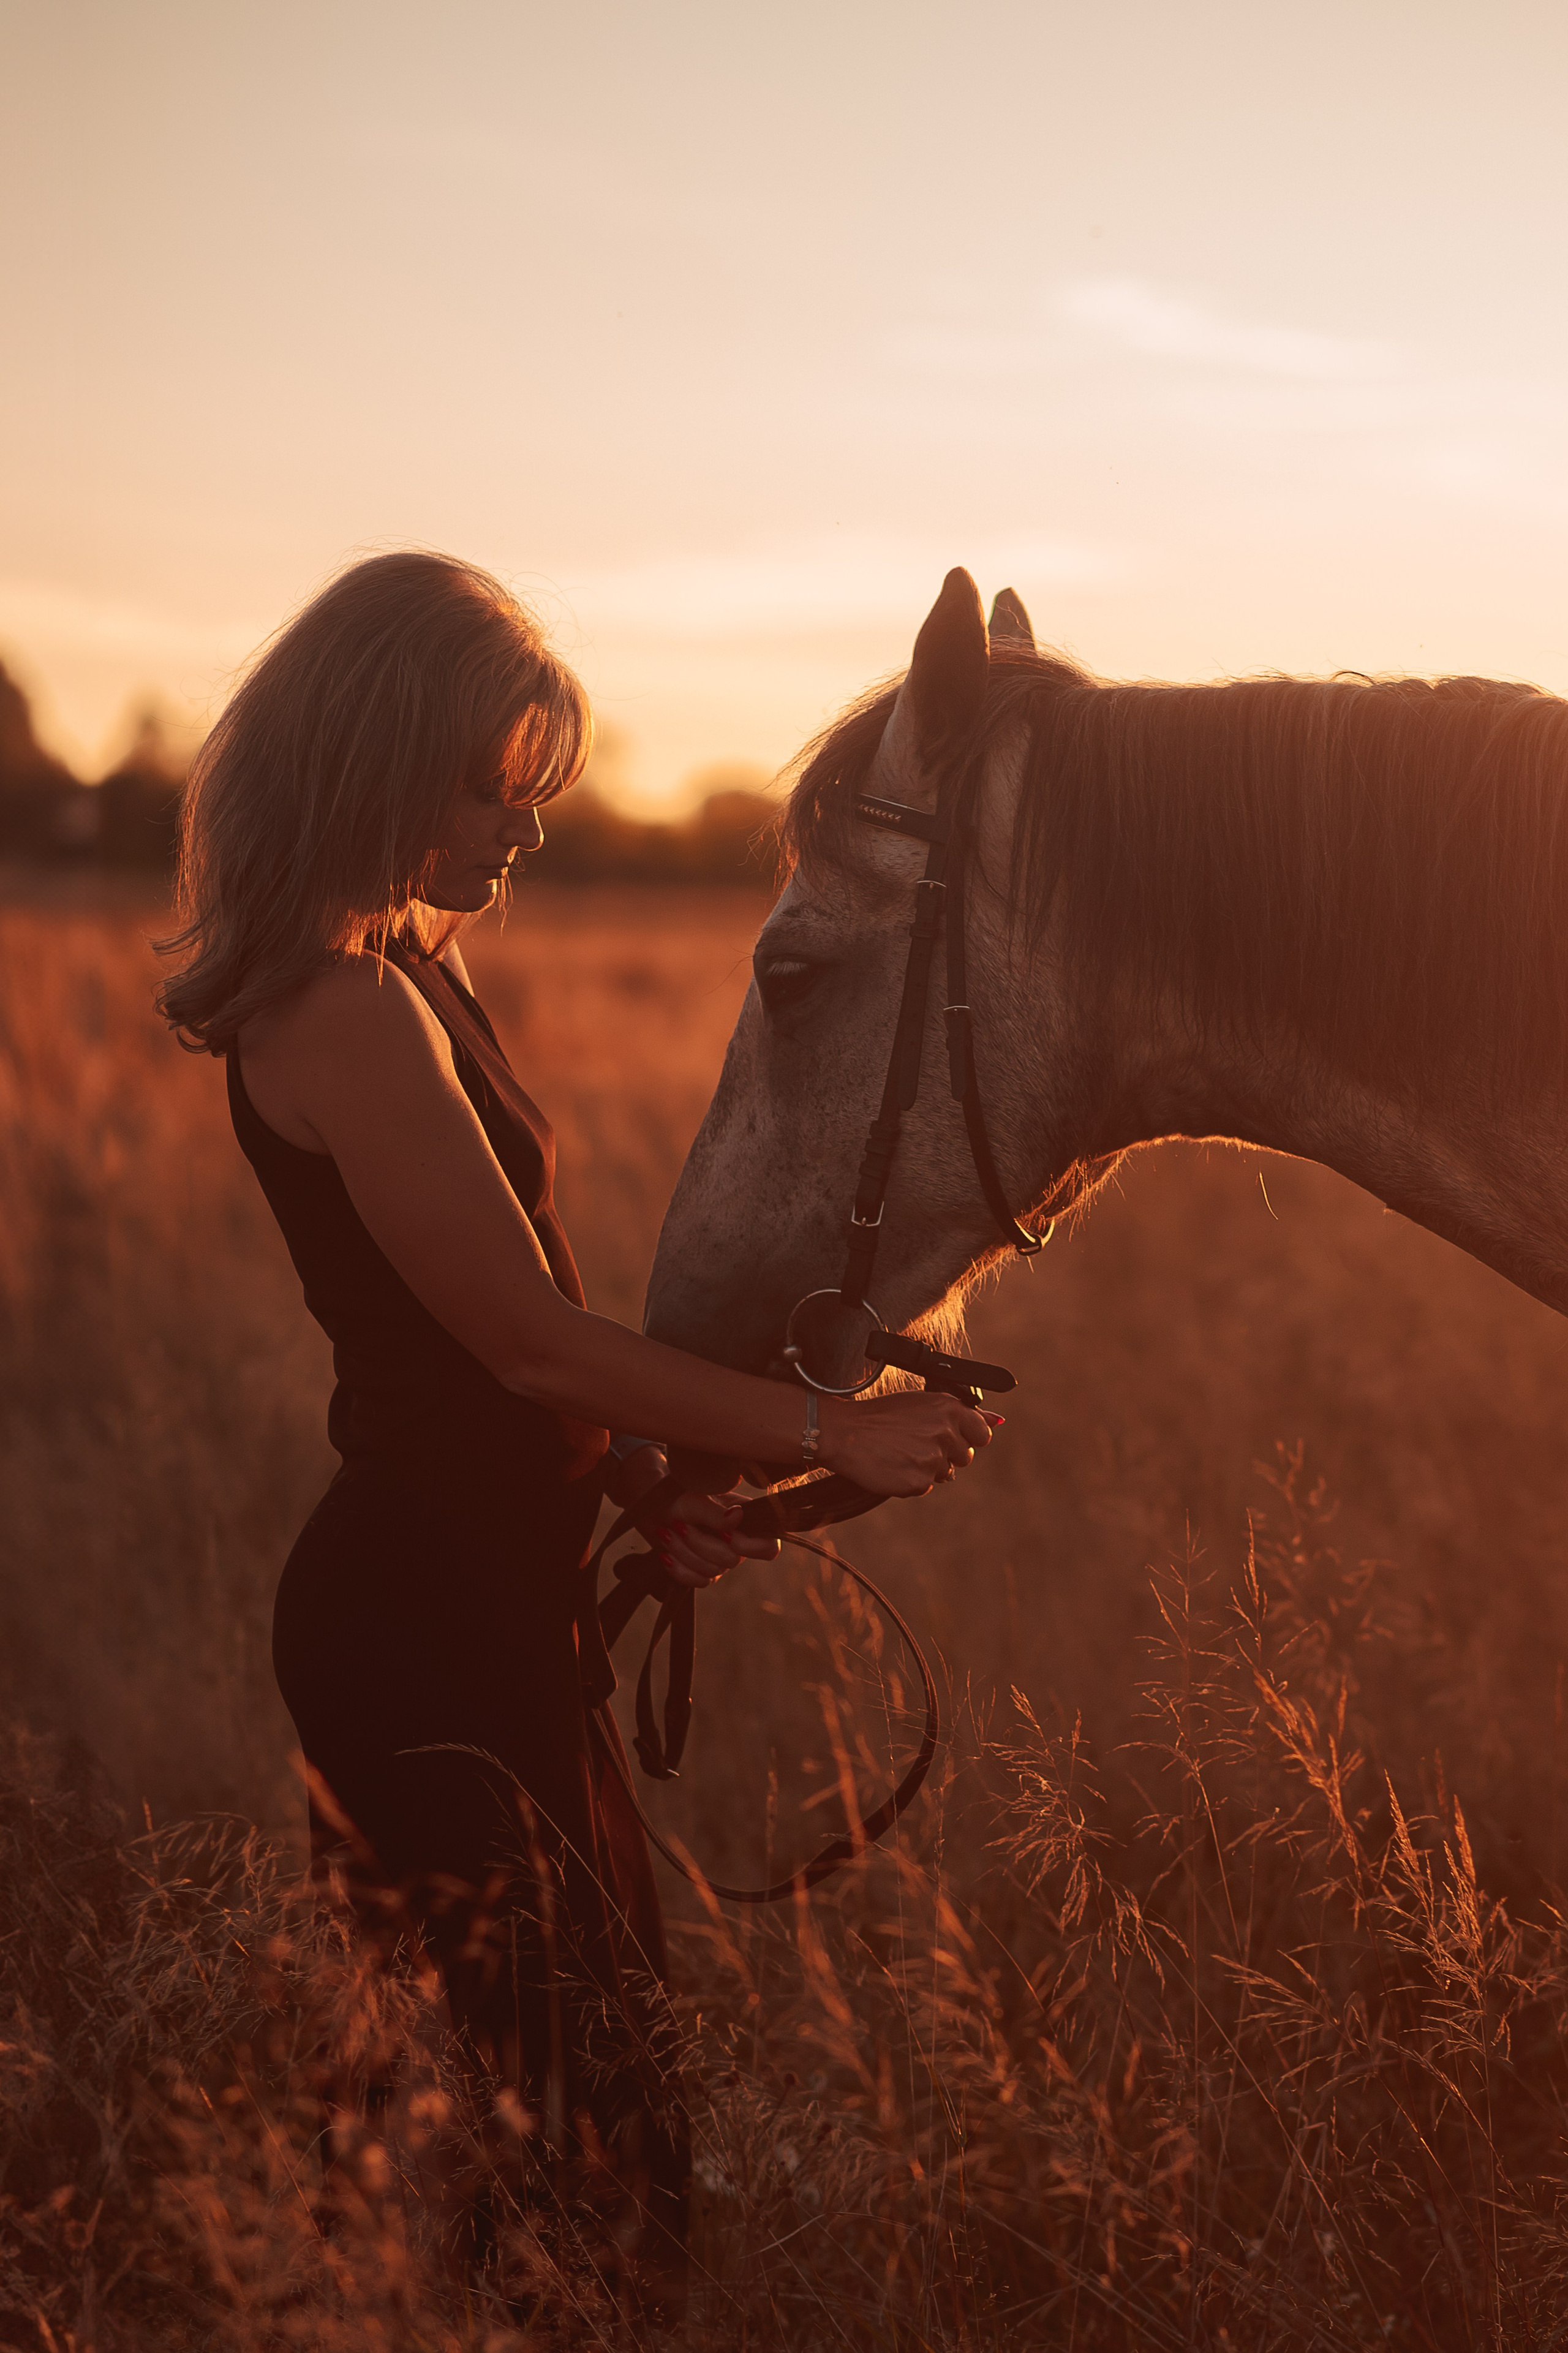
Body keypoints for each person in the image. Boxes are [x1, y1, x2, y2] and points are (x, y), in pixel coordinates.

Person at [156, 549, 993, 2294]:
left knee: (558, 2113)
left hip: (491, 1603)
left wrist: (642, 1477)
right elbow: (531, 1346)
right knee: (551, 2140)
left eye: (535, 791)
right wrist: (823, 1431)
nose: (525, 830)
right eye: (494, 788)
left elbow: (507, 1319)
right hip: (418, 1625)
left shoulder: (409, 972)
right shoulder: (342, 1010)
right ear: (380, 762)